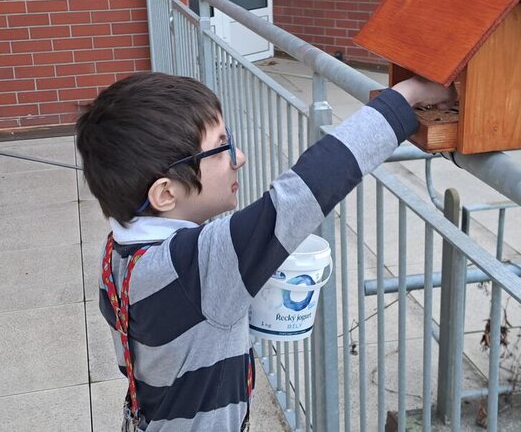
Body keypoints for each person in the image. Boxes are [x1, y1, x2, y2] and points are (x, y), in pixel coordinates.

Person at [76, 71, 453, 431]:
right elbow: (306, 190)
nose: (238, 157)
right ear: (165, 193)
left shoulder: (118, 254)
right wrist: (407, 97)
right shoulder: (195, 266)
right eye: (221, 148)